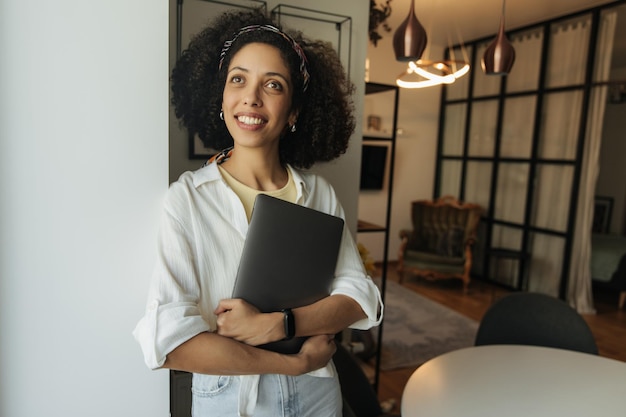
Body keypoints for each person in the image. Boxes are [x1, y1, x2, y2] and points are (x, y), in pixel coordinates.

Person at [133, 9, 383, 417]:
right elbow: (171, 344)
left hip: (318, 393)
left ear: (295, 112)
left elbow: (359, 299)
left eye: (273, 84)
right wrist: (293, 361)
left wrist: (281, 324)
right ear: (221, 96)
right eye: (238, 79)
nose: (251, 97)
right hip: (232, 398)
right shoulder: (187, 200)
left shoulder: (318, 193)